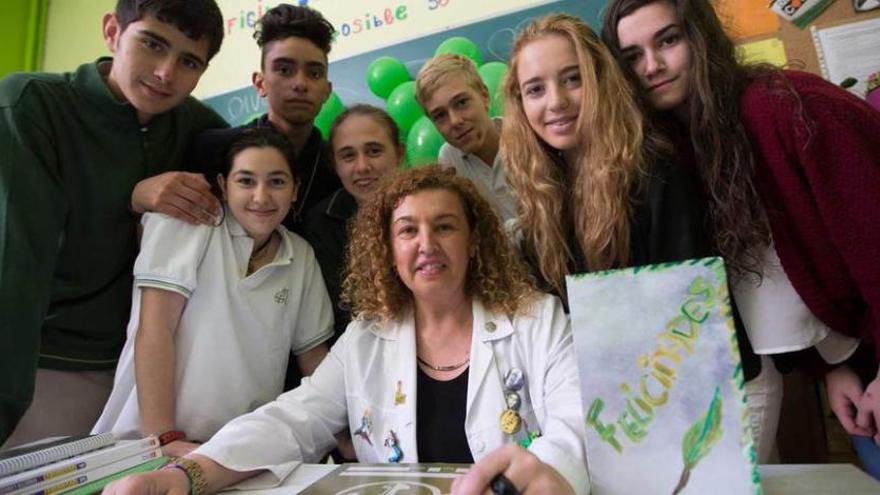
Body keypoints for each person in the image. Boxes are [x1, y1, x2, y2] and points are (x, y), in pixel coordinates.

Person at [102, 166, 588, 495]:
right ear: (388, 248)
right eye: (407, 231)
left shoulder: (537, 319)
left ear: (474, 239)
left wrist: (540, 473)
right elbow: (294, 420)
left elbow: (575, 424)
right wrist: (187, 475)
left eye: (445, 227)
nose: (426, 245)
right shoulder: (367, 337)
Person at [601, 0, 880, 468]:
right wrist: (834, 365)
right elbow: (779, 287)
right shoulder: (683, 148)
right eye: (631, 57)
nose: (651, 66)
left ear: (702, 37)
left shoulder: (788, 106)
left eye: (668, 40)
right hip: (853, 367)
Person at [501, 12, 774, 458]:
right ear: (519, 104)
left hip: (710, 395)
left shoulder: (653, 171)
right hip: (629, 404)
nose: (556, 102)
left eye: (573, 79)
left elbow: (686, 319)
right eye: (536, 89)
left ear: (602, 81)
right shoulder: (543, 200)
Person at [0, 0, 228, 447]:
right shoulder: (31, 104)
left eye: (188, 61)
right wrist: (132, 198)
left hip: (139, 376)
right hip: (40, 365)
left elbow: (263, 170)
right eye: (152, 44)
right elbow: (17, 269)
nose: (165, 73)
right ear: (112, 31)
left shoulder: (198, 127)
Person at [92, 127, 333, 456]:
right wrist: (165, 438)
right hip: (148, 442)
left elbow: (314, 359)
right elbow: (155, 330)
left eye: (277, 182)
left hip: (232, 452)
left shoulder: (301, 255)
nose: (261, 197)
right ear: (222, 185)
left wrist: (345, 430)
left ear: (295, 190)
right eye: (245, 181)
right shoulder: (186, 223)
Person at [187, 4, 341, 235]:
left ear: (327, 91)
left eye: (314, 73)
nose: (300, 83)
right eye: (284, 70)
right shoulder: (210, 151)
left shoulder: (338, 167)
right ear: (260, 83)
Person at [303, 105, 403, 341]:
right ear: (335, 164)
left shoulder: (431, 206)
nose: (362, 167)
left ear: (399, 153)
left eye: (374, 151)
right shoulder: (322, 224)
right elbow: (343, 311)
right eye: (348, 156)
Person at [415, 54, 516, 224]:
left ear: (484, 96)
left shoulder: (527, 138)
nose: (454, 121)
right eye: (440, 115)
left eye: (461, 103)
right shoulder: (449, 160)